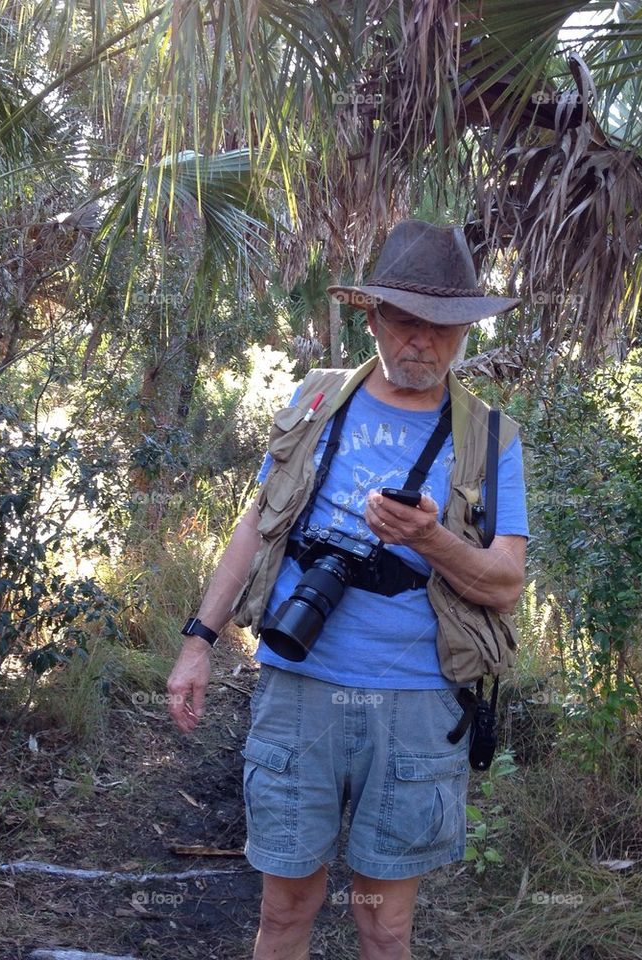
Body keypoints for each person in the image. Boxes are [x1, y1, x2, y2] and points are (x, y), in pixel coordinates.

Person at [167, 219, 529, 960]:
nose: (420, 341)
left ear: (463, 333)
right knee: (287, 910)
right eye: (403, 320)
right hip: (298, 686)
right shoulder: (316, 401)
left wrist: (427, 539)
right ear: (371, 317)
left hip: (419, 703)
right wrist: (198, 643)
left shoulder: (492, 437)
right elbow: (256, 527)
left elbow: (506, 583)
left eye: (441, 326)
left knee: (384, 926)